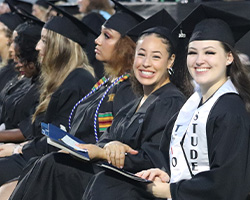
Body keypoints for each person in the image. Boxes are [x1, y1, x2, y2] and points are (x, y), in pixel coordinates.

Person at [9, 9, 193, 200]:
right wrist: (111, 145)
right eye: (141, 54)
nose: (146, 63)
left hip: (131, 187)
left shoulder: (169, 101)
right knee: (49, 162)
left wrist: (106, 153)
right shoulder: (135, 103)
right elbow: (107, 138)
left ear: (170, 61)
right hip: (110, 176)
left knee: (53, 167)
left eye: (156, 57)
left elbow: (153, 159)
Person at [84, 5, 250, 200]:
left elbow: (228, 184)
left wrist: (171, 190)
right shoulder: (194, 106)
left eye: (210, 53)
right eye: (192, 52)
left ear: (229, 57)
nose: (199, 60)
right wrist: (165, 174)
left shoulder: (229, 110)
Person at [3, 4, 141, 199]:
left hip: (94, 169)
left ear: (126, 46)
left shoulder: (126, 90)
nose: (97, 40)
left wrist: (19, 148)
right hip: (69, 160)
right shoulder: (104, 83)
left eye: (106, 36)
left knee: (45, 166)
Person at [0, 8, 97, 198]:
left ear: (59, 47)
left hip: (55, 164)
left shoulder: (77, 83)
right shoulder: (62, 79)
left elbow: (60, 138)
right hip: (38, 155)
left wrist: (18, 148)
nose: (37, 47)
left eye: (44, 41)